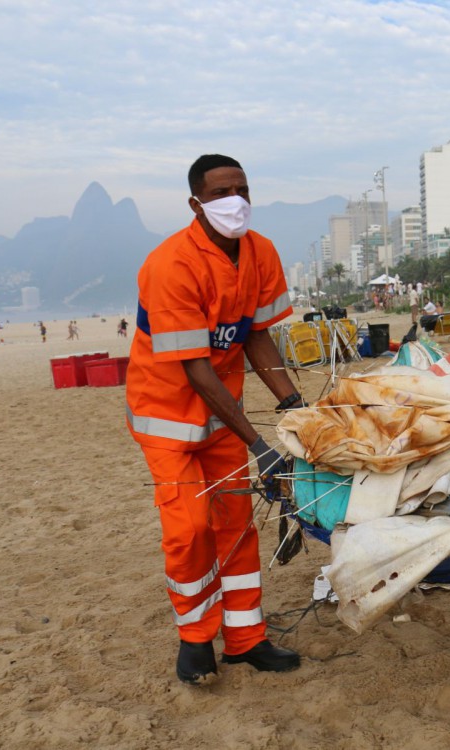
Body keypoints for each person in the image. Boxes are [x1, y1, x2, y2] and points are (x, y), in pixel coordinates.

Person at [126, 154, 304, 685]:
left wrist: (295, 406)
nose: (236, 202)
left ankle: (246, 638)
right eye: (223, 192)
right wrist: (260, 444)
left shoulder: (260, 252)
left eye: (243, 189)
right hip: (168, 418)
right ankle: (195, 639)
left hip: (223, 418)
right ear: (195, 203)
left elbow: (255, 335)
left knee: (234, 525)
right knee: (190, 531)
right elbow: (196, 369)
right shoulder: (171, 265)